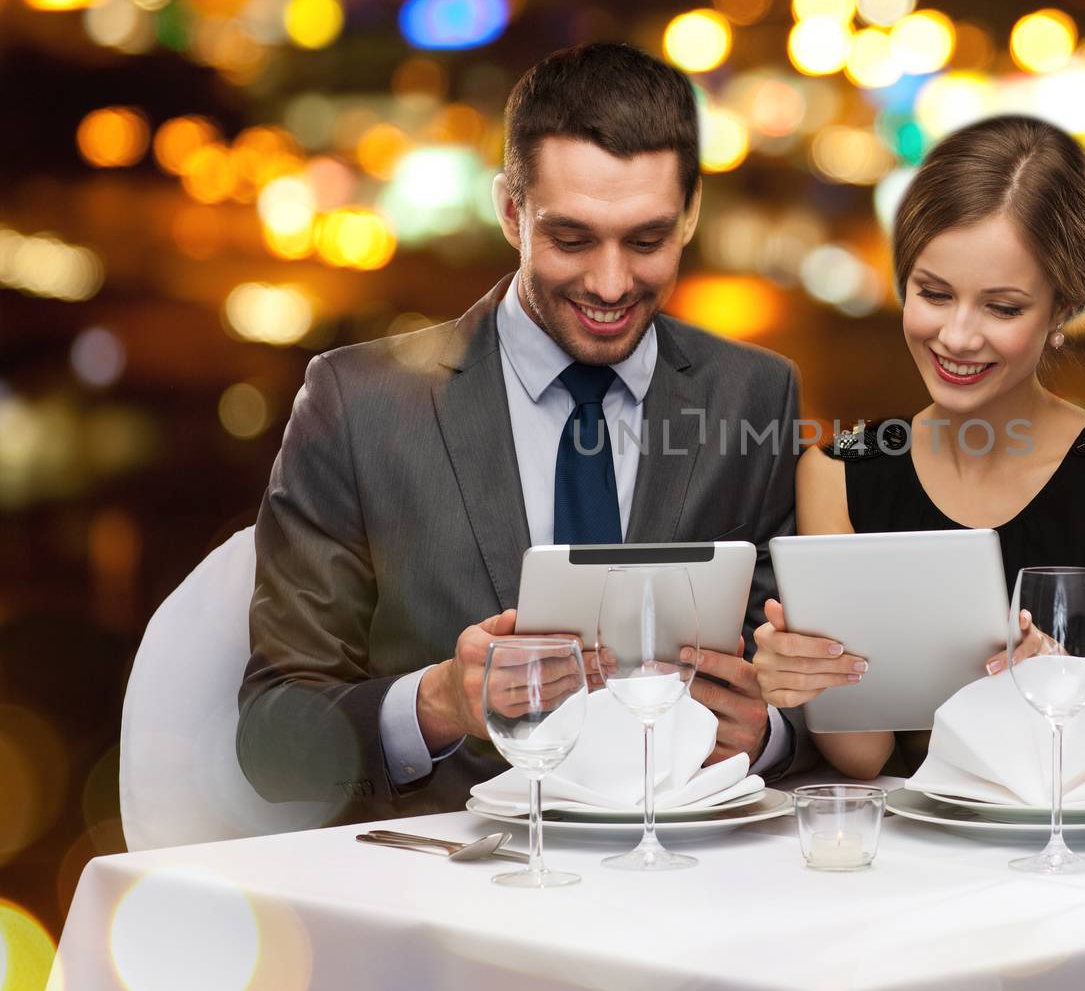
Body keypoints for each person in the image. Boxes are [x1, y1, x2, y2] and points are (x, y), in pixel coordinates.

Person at [239, 43, 805, 822]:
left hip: (689, 880)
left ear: (692, 213)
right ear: (511, 211)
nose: (611, 284)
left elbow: (806, 680)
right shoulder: (357, 402)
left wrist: (766, 732)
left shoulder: (756, 394)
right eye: (571, 239)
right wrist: (435, 702)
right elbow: (271, 739)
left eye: (647, 241)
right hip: (452, 894)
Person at [750, 115, 1085, 817]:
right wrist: (804, 674)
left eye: (1002, 307)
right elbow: (862, 754)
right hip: (944, 841)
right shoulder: (838, 472)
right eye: (933, 293)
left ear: (1063, 306)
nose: (956, 335)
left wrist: (1068, 688)